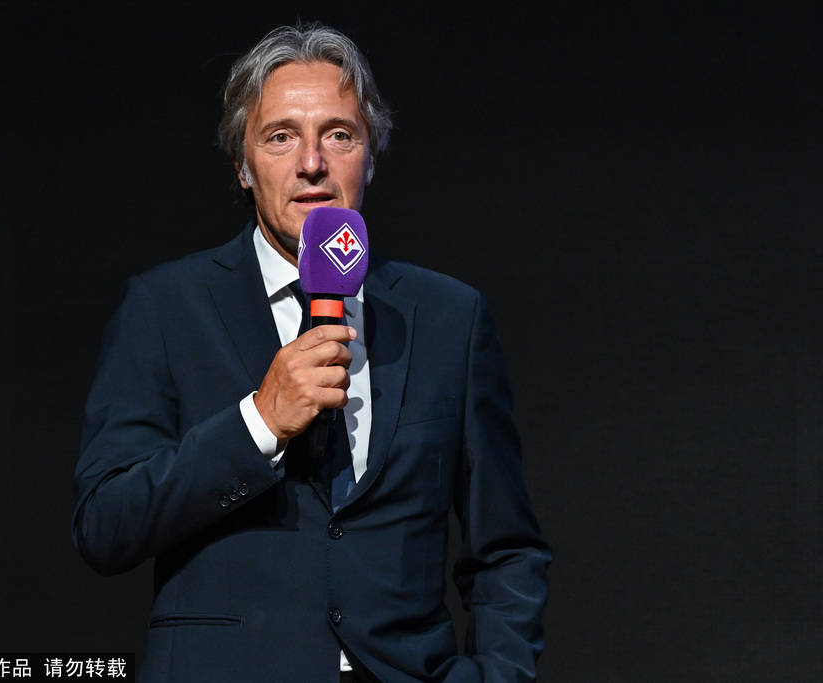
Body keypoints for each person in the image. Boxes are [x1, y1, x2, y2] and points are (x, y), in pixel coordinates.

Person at [73, 22, 551, 682]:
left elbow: (507, 548)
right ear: (243, 166)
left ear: (370, 157)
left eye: (339, 134)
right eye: (280, 137)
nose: (312, 163)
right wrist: (260, 422)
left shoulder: (450, 317)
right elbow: (105, 525)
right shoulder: (165, 307)